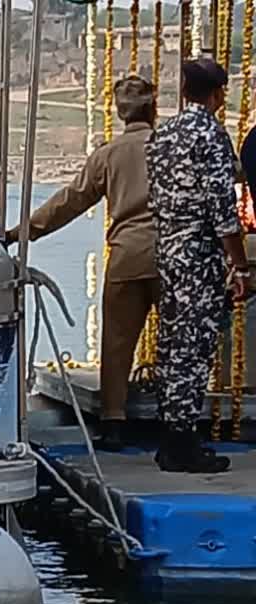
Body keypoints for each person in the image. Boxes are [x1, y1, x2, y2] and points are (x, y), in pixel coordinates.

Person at [5, 76, 158, 451]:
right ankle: (175, 425)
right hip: (171, 254)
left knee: (118, 341)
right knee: (177, 341)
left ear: (120, 113)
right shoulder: (168, 148)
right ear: (154, 108)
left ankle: (113, 422)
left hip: (126, 255)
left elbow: (70, 202)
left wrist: (21, 232)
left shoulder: (108, 155)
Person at [146, 58, 253, 473]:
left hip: (168, 250)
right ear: (218, 94)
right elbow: (221, 211)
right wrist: (239, 266)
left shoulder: (163, 134)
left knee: (172, 346)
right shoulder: (211, 135)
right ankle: (183, 447)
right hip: (199, 256)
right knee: (194, 348)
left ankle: (171, 439)